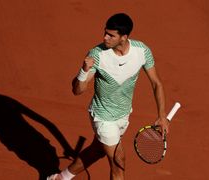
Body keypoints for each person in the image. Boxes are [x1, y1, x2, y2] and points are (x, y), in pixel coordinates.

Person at [47, 13, 169, 180]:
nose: (105, 37)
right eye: (105, 33)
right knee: (118, 160)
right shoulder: (97, 55)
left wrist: (162, 116)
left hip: (123, 114)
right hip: (102, 116)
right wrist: (83, 71)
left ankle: (61, 178)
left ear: (124, 37)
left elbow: (157, 83)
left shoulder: (142, 51)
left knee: (97, 151)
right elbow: (77, 90)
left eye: (111, 35)